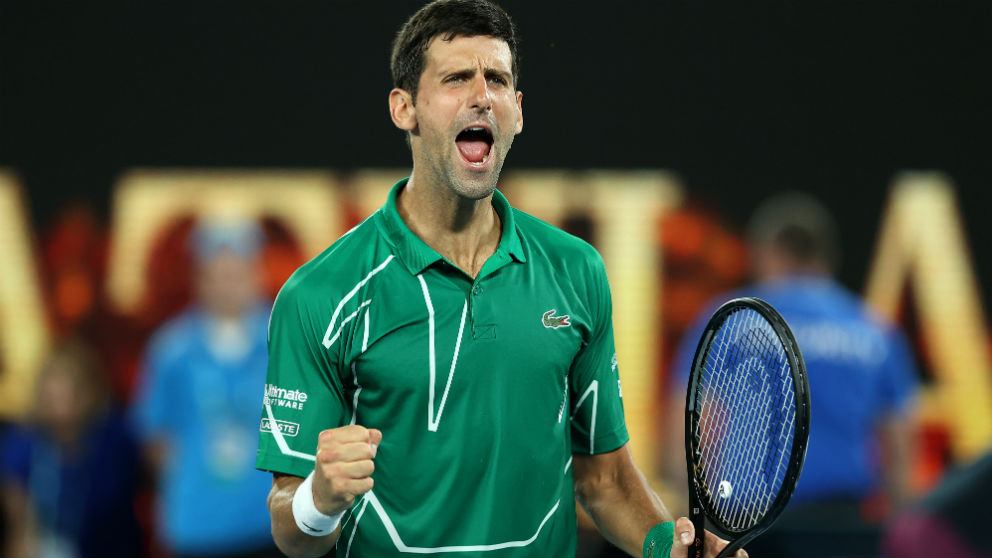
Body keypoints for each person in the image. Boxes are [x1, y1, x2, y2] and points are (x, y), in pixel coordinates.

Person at [256, 2, 746, 557]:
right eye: (456, 78)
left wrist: (667, 547)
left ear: (517, 111)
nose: (481, 96)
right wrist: (319, 499)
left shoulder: (576, 271)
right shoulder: (319, 294)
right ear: (404, 108)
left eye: (497, 80)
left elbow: (603, 479)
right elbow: (290, 531)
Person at [667, 192, 919, 557]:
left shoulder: (727, 322)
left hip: (744, 532)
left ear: (767, 253)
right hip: (841, 531)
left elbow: (683, 436)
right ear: (827, 257)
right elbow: (900, 455)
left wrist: (696, 529)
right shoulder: (874, 331)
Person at [131, 218, 279, 557]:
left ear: (256, 274)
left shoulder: (281, 340)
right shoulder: (171, 349)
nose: (228, 285)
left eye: (237, 272)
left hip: (270, 526)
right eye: (217, 274)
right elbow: (153, 438)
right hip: (197, 528)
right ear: (199, 279)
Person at [0, 339, 143, 558]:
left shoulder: (114, 439)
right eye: (53, 397)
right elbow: (19, 525)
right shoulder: (23, 446)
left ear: (91, 393)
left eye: (69, 395)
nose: (61, 408)